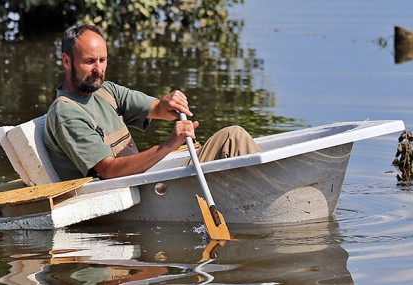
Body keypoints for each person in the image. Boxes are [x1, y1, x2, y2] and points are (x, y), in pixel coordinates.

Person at [44, 24, 259, 181]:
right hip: (132, 194)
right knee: (235, 138)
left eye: (103, 60)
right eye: (90, 62)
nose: (98, 70)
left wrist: (168, 104)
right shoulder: (66, 113)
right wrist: (169, 145)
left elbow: (157, 109)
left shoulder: (106, 91)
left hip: (144, 180)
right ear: (66, 61)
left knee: (232, 137)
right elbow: (109, 171)